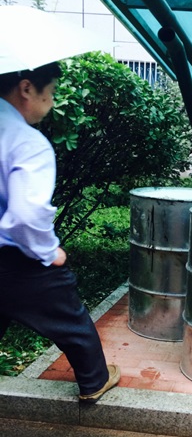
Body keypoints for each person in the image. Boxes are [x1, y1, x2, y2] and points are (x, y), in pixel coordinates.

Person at [0, 62, 120, 403]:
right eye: (51, 92)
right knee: (71, 319)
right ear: (26, 88)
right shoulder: (27, 142)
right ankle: (95, 381)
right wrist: (48, 251)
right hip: (16, 259)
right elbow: (26, 216)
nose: (51, 102)